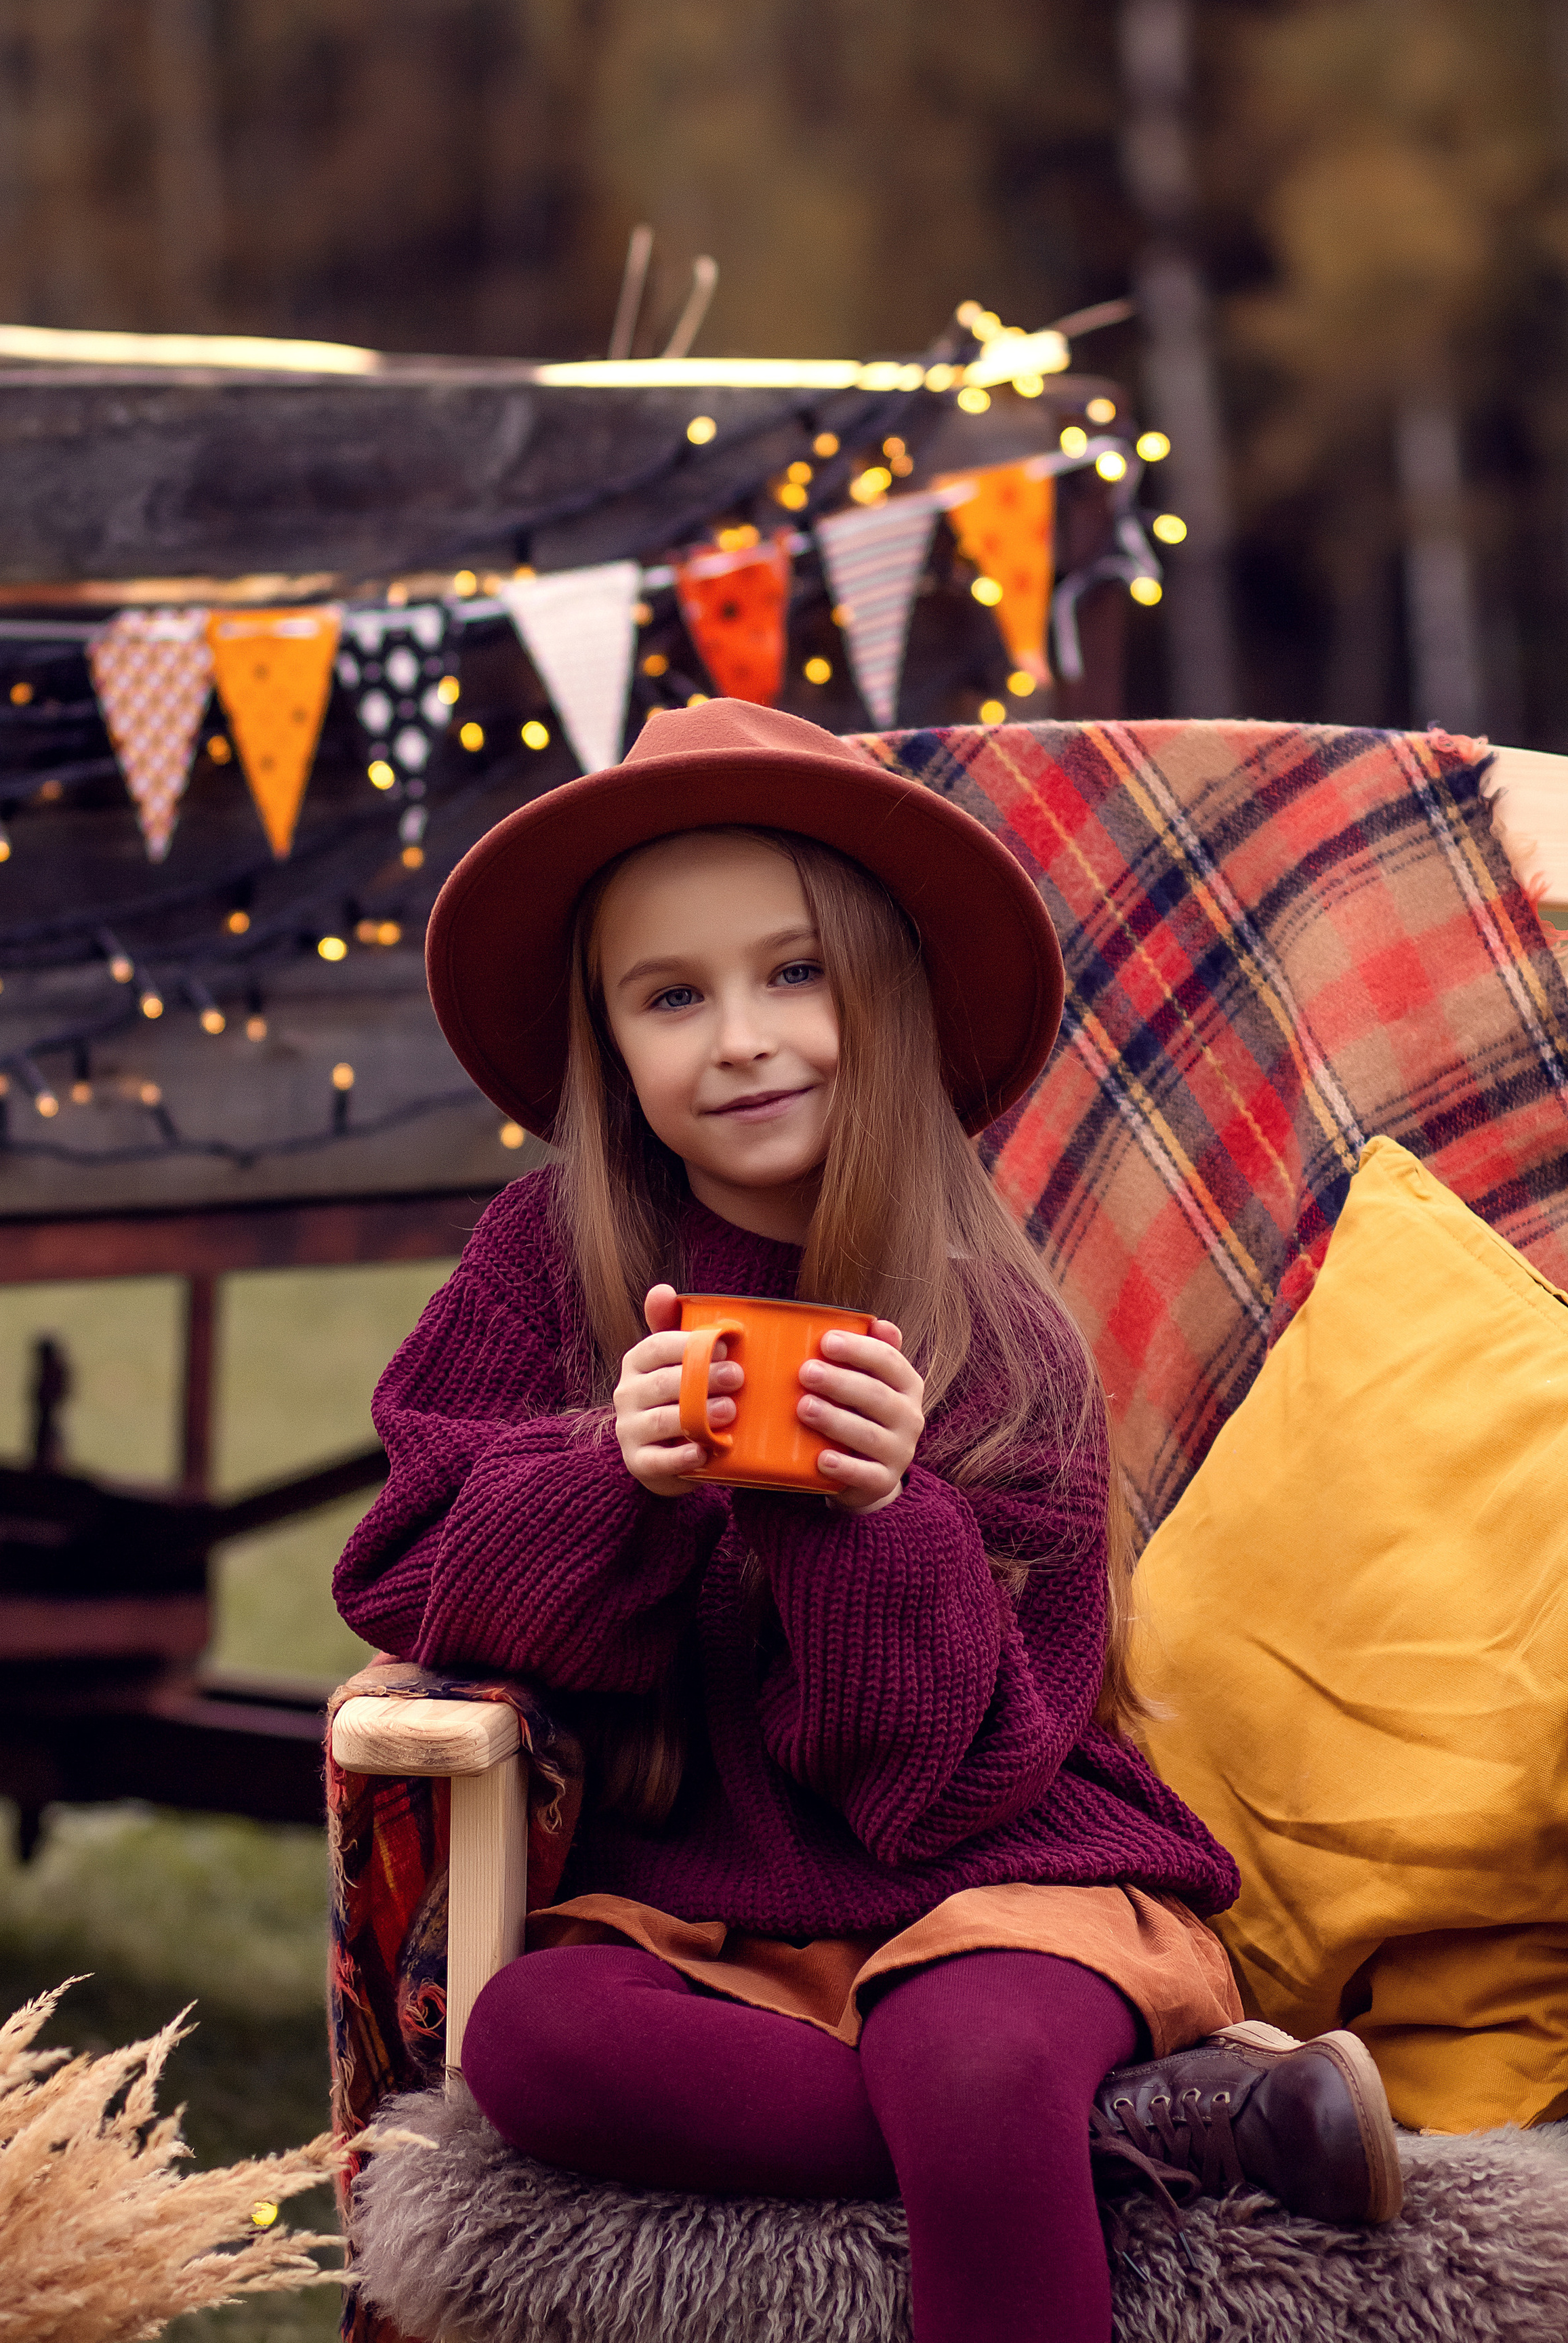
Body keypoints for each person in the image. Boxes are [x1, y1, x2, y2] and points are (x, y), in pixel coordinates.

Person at [334, 699, 1402, 2343]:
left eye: (794, 973)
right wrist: (608, 1470)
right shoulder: (541, 1262)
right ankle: (1135, 2136)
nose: (740, 1038)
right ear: (605, 1042)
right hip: (698, 1908)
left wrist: (871, 1515)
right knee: (531, 2044)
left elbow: (937, 1788)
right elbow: (404, 1569)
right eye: (670, 996)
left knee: (965, 2063)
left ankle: (1012, 2122)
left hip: (993, 1885)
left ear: (886, 998)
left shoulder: (993, 1333)